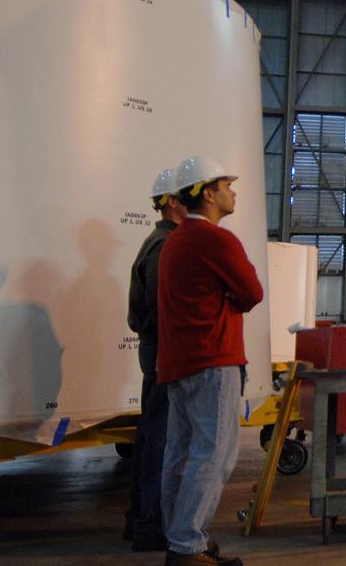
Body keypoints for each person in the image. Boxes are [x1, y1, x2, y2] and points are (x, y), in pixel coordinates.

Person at [157, 155, 263, 566]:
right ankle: (187, 545)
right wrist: (230, 297)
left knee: (181, 456)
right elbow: (252, 292)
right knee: (213, 455)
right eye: (226, 186)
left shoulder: (175, 240)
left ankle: (178, 538)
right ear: (207, 193)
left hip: (179, 363)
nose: (233, 192)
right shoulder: (216, 240)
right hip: (213, 360)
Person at [123, 166, 187, 552]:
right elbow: (161, 306)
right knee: (161, 438)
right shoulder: (166, 246)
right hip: (164, 349)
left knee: (152, 434)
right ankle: (151, 524)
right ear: (174, 202)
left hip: (157, 348)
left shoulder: (158, 241)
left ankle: (140, 520)